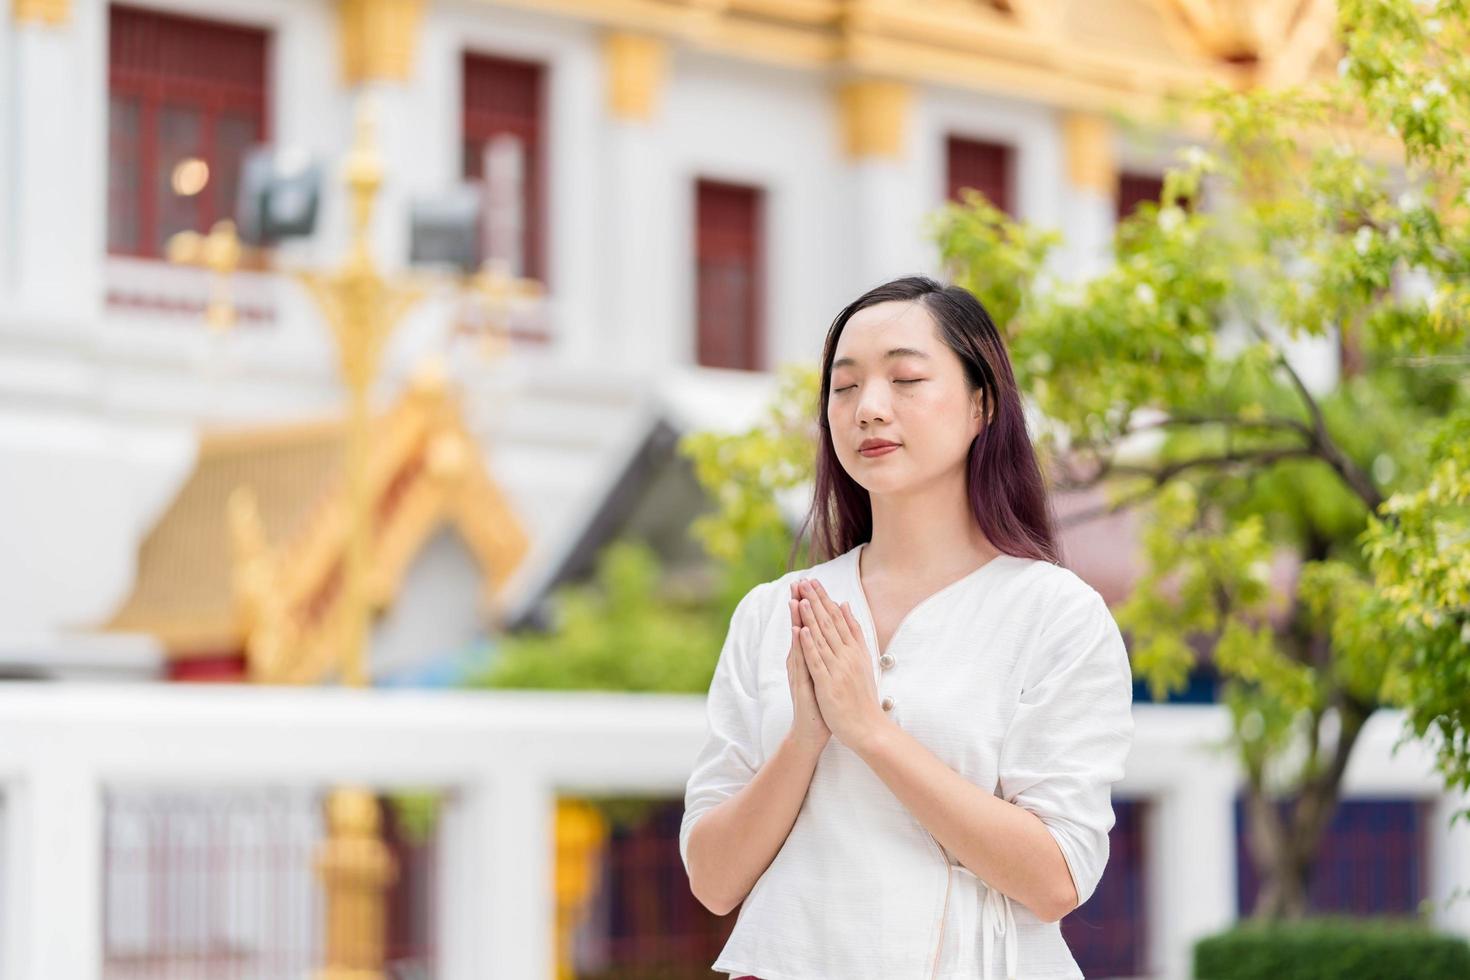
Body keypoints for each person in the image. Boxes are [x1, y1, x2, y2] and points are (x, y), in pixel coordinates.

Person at [678, 275, 1136, 979]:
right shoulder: (776, 613)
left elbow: (1055, 879)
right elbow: (712, 880)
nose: (870, 409)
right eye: (845, 387)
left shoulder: (1054, 615)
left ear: (983, 403)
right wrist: (805, 738)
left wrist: (870, 731)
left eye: (906, 378)